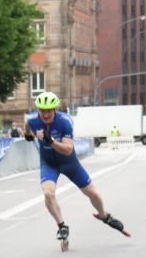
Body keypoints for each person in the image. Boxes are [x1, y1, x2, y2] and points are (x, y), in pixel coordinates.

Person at [24, 92, 129, 246]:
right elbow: (27, 126)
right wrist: (28, 135)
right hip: (48, 163)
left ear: (55, 109)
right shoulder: (33, 120)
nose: (45, 114)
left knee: (92, 192)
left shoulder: (65, 121)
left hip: (68, 162)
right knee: (48, 193)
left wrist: (50, 140)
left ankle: (104, 216)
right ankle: (62, 226)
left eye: (48, 111)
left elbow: (67, 149)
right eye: (42, 110)